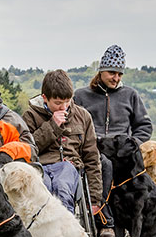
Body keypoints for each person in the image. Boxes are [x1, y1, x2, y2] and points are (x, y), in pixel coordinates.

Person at [74, 44, 153, 237]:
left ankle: (147, 226)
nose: (116, 78)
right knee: (106, 165)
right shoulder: (82, 96)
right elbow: (73, 123)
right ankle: (106, 221)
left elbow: (144, 126)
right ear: (101, 71)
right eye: (112, 72)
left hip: (123, 150)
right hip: (94, 147)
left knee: (131, 170)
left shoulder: (130, 95)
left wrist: (132, 144)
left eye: (119, 74)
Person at [22, 69, 102, 215]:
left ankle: (66, 231)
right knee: (43, 190)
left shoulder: (83, 116)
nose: (64, 107)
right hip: (41, 166)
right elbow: (28, 150)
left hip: (69, 166)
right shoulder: (30, 116)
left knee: (61, 186)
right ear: (45, 98)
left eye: (67, 101)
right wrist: (52, 125)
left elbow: (92, 157)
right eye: (58, 103)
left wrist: (95, 198)